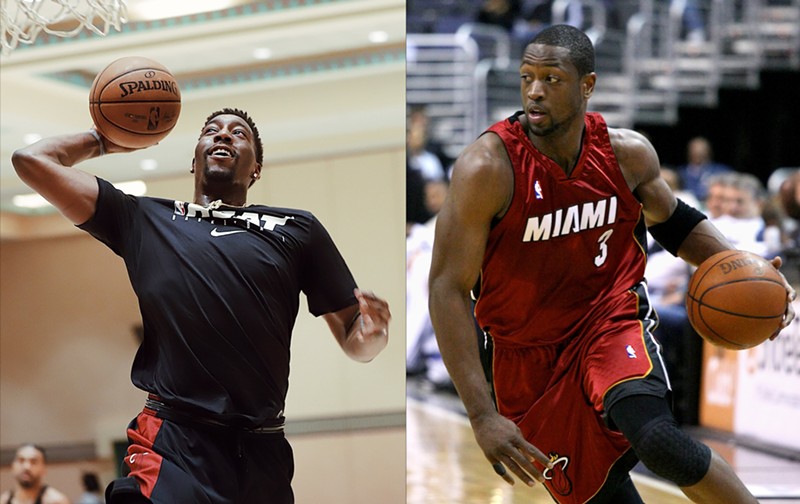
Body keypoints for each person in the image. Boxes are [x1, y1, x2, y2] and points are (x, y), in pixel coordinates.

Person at [428, 25, 796, 504]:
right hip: (526, 356)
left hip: (610, 321)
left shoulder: (626, 154)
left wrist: (752, 273)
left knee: (661, 443)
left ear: (588, 85)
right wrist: (481, 414)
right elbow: (446, 289)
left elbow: (679, 225)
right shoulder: (487, 169)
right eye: (526, 77)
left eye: (552, 79)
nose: (535, 91)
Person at [11, 108, 391, 504]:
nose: (224, 135)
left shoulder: (297, 229)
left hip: (262, 448)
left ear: (256, 169)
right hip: (174, 440)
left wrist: (373, 336)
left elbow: (355, 339)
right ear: (194, 160)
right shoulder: (143, 218)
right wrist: (103, 138)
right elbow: (31, 161)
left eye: (238, 134)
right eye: (212, 131)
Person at [1, 444, 71, 504]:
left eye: (33, 462)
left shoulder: (56, 501)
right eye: (21, 460)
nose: (26, 467)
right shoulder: (3, 501)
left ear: (44, 469)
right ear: (13, 466)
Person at [677, 136, 733, 202]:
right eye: (694, 151)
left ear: (709, 152)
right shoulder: (680, 172)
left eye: (701, 151)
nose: (698, 153)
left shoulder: (721, 171)